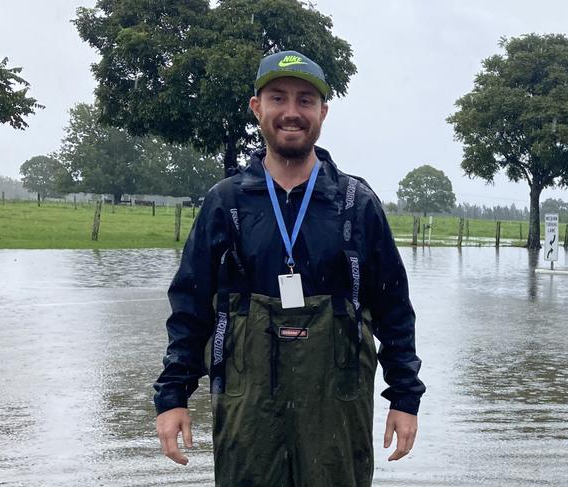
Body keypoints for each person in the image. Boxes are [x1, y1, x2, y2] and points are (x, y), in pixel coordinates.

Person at [154, 50, 425, 487]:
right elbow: (190, 309)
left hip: (337, 407)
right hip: (247, 411)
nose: (292, 112)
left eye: (305, 100)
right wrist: (172, 397)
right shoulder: (226, 203)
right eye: (278, 98)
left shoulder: (357, 205)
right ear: (257, 107)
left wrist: (405, 398)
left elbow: (394, 310)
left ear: (323, 112)